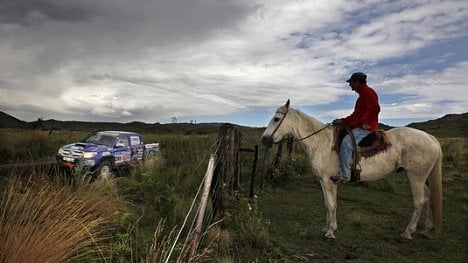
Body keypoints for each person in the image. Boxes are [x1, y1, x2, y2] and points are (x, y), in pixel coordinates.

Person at [330, 72, 380, 184]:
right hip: (360, 126)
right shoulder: (362, 96)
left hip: (366, 128)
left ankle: (345, 175)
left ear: (357, 82)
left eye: (351, 82)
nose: (350, 85)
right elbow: (355, 115)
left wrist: (362, 123)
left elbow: (375, 109)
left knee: (346, 144)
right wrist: (342, 121)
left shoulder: (368, 92)